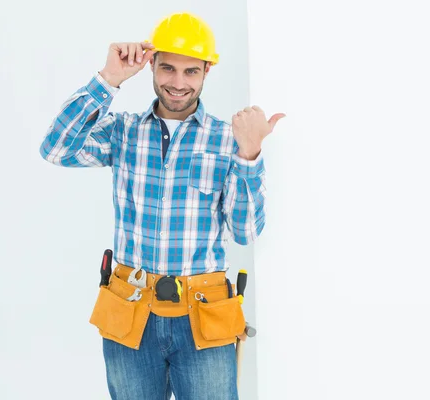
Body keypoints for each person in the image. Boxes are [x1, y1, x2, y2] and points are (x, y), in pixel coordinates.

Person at [39, 12, 284, 400]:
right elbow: (54, 149)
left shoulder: (228, 139)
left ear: (207, 71)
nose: (178, 83)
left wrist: (249, 154)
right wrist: (108, 80)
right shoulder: (122, 130)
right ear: (151, 64)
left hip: (203, 316)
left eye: (191, 72)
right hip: (130, 309)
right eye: (168, 68)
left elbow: (246, 231)